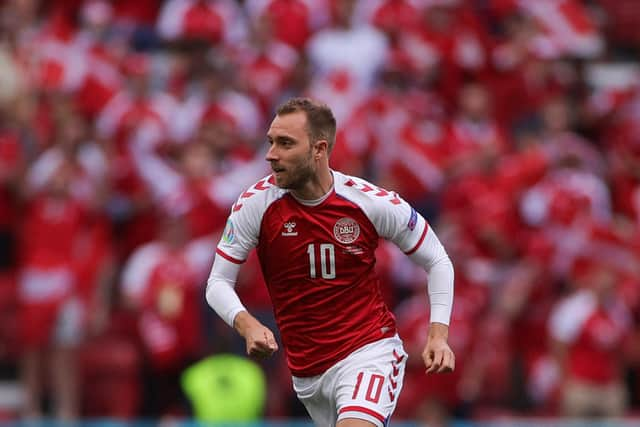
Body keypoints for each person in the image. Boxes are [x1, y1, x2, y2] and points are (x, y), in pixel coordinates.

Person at [206, 97, 455, 426]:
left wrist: (437, 335)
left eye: (285, 144)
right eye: (270, 142)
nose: (271, 155)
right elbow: (217, 283)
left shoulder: (369, 202)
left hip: (369, 351)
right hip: (308, 373)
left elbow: (437, 259)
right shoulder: (256, 205)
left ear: (319, 150)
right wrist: (247, 325)